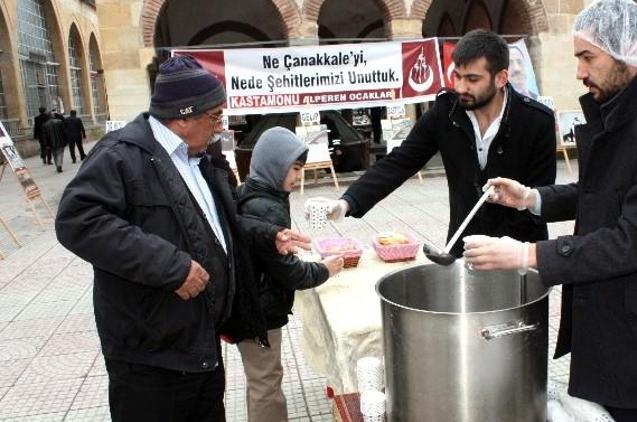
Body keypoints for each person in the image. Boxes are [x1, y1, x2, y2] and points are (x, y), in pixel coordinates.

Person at [463, 1, 637, 420]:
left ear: (628, 49)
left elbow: (633, 241)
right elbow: (599, 191)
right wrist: (531, 198)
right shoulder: (625, 109)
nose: (579, 72)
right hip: (608, 324)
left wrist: (528, 256)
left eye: (587, 57)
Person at [55, 55, 309, 422]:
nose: (220, 128)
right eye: (215, 117)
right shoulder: (122, 156)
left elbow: (223, 223)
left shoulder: (204, 159)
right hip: (152, 358)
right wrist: (170, 266)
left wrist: (269, 235)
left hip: (200, 345)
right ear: (184, 116)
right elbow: (78, 221)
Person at [319, 29, 557, 254]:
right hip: (463, 249)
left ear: (501, 78)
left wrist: (507, 251)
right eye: (457, 76)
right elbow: (400, 162)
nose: (461, 87)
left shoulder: (537, 121)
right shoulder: (446, 112)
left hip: (521, 254)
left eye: (472, 79)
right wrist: (348, 202)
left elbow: (540, 197)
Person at [234, 126, 344, 421]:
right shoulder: (266, 206)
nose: (298, 177)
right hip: (259, 310)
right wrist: (325, 269)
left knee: (261, 378)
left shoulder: (253, 192)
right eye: (294, 168)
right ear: (274, 165)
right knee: (266, 382)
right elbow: (288, 274)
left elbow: (266, 254)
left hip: (253, 303)